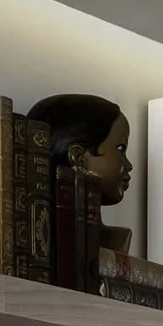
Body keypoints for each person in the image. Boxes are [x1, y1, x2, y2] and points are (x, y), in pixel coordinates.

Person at [26, 93, 133, 254]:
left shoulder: (118, 238)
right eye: (120, 148)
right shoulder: (36, 237)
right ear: (78, 157)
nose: (129, 165)